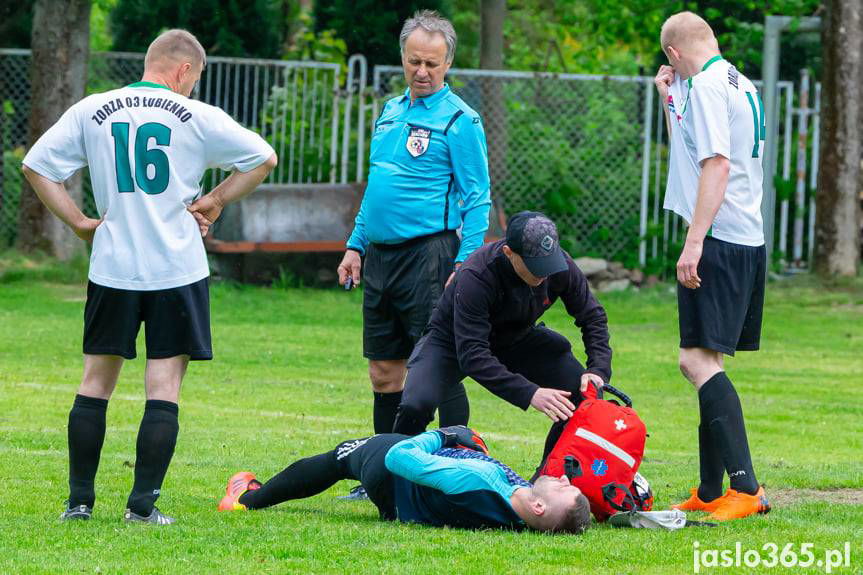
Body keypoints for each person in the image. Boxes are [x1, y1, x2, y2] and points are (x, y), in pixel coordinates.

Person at [21, 29, 277, 524]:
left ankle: (79, 503)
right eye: (195, 78)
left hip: (113, 266)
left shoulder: (94, 108)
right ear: (184, 70)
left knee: (95, 383)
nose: (194, 87)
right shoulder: (198, 117)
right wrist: (216, 200)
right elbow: (262, 158)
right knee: (163, 386)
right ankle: (142, 507)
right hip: (176, 270)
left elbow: (36, 166)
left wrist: (78, 223)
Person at [335, 10, 491, 446]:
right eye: (414, 61)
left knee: (437, 363)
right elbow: (378, 185)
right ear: (402, 57)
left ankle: (455, 461)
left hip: (431, 256)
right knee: (384, 371)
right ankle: (382, 473)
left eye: (432, 64)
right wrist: (356, 245)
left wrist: (465, 264)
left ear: (448, 65)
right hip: (380, 257)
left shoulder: (461, 121)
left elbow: (478, 199)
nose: (421, 72)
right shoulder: (390, 111)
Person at [654, 12, 771, 520]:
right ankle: (708, 490)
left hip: (721, 236)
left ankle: (746, 489)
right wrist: (667, 102)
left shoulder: (702, 86)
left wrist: (694, 241)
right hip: (747, 236)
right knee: (709, 361)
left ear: (674, 56)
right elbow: (694, 146)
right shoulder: (734, 80)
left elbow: (715, 164)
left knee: (695, 363)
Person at [391, 211, 612, 472]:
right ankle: (393, 476)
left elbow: (592, 316)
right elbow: (472, 355)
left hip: (517, 337)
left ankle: (547, 479)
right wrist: (530, 393)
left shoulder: (559, 265)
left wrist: (598, 369)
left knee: (583, 395)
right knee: (416, 404)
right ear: (509, 252)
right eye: (534, 266)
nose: (543, 275)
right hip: (451, 341)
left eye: (548, 264)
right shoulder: (477, 274)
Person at [217, 426, 591, 534]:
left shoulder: (473, 480)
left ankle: (245, 500)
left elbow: (401, 458)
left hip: (391, 476)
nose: (559, 478)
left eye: (562, 487)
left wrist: (445, 435)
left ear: (539, 507)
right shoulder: (519, 513)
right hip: (406, 502)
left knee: (341, 456)